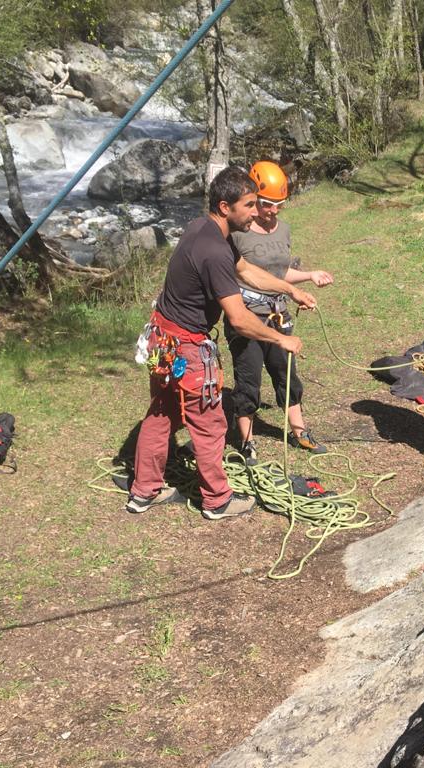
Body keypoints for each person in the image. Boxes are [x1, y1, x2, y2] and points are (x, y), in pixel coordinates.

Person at [128, 166, 305, 520]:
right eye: (250, 205)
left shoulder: (204, 228)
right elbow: (239, 319)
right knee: (210, 424)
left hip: (162, 340)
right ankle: (217, 500)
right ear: (226, 207)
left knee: (162, 413)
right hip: (187, 346)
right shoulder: (213, 251)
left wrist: (291, 289)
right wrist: (280, 339)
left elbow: (246, 271)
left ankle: (144, 491)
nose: (256, 212)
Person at [226, 160, 334, 465]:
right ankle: (247, 441)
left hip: (278, 313)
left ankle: (299, 431)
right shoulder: (237, 234)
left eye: (279, 205)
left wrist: (309, 276)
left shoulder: (283, 229)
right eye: (267, 204)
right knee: (248, 380)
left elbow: (280, 271)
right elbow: (239, 273)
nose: (273, 211)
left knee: (287, 373)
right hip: (247, 316)